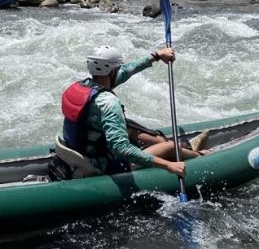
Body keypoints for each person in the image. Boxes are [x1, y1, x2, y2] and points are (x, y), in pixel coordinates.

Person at [60, 46, 209, 178]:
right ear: (112, 71)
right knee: (168, 148)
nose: (120, 71)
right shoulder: (108, 102)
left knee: (129, 128)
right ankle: (198, 155)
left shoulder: (83, 87)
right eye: (117, 69)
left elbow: (126, 71)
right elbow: (121, 149)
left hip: (81, 151)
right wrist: (168, 165)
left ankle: (184, 147)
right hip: (102, 164)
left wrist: (156, 55)